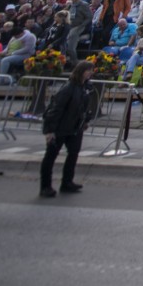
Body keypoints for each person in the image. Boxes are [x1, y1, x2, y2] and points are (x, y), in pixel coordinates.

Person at [40, 60, 95, 197]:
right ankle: (45, 186)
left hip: (75, 127)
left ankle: (67, 182)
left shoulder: (85, 87)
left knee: (73, 154)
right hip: (61, 127)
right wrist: (49, 130)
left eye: (91, 70)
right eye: (88, 70)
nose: (90, 73)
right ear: (80, 71)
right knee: (51, 156)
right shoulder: (68, 88)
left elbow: (84, 107)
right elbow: (55, 109)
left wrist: (86, 121)